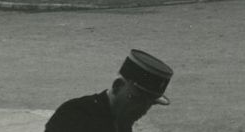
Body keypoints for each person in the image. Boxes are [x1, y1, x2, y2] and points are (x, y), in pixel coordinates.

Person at [45, 49, 173, 132]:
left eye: (149, 103)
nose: (143, 109)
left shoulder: (121, 120)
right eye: (137, 99)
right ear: (118, 86)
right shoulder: (76, 114)